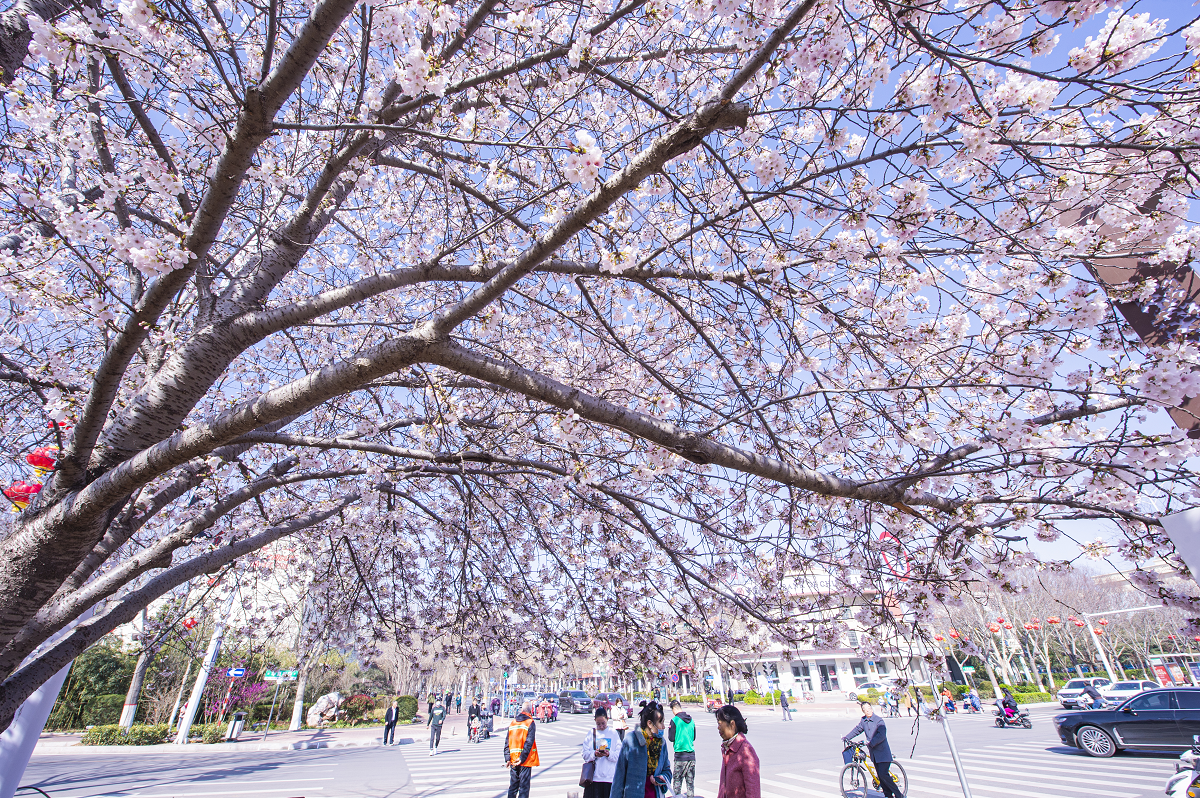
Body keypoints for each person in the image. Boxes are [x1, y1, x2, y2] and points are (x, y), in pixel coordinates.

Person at [610, 700, 671, 798]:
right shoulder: (631, 740)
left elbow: (666, 769)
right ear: (650, 723)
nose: (664, 726)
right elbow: (619, 776)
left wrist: (663, 777)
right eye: (661, 722)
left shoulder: (661, 743)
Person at [842, 701, 901, 798]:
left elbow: (881, 735)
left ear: (872, 708)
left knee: (883, 775)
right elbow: (857, 730)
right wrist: (847, 737)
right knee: (881, 777)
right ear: (863, 711)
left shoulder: (879, 721)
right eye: (865, 709)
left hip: (883, 752)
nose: (868, 711)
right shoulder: (863, 721)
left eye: (869, 708)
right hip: (874, 754)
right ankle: (888, 795)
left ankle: (899, 795)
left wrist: (871, 743)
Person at [715, 704, 760, 798]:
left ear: (732, 724)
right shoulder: (727, 747)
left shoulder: (746, 751)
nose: (718, 728)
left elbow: (753, 792)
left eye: (719, 724)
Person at [579, 706, 621, 798]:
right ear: (594, 721)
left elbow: (619, 755)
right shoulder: (591, 733)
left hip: (609, 779)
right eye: (598, 724)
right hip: (594, 779)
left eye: (603, 723)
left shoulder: (613, 733)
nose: (601, 726)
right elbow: (585, 755)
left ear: (607, 719)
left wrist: (608, 754)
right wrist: (594, 754)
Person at [505, 700, 539, 798]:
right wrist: (522, 757)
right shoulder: (530, 723)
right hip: (525, 760)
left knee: (513, 787)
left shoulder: (513, 722)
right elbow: (529, 742)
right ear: (531, 710)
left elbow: (507, 741)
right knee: (524, 788)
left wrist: (507, 758)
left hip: (513, 759)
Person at [669, 700, 696, 798]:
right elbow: (693, 737)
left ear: (674, 709)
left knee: (677, 785)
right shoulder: (691, 720)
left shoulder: (674, 720)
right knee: (690, 784)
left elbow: (671, 738)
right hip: (691, 756)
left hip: (680, 756)